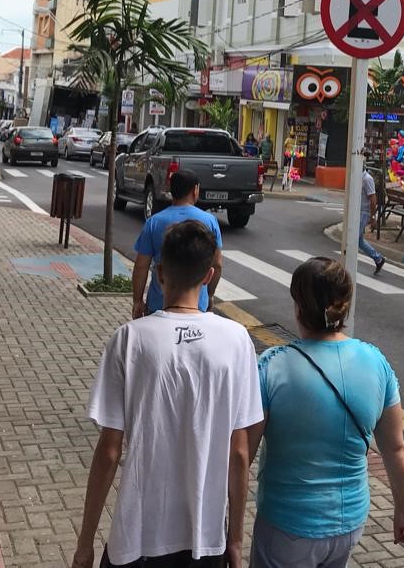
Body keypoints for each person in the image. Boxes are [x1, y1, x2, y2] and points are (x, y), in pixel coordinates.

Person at [73, 221, 264, 568]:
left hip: (138, 535)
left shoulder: (129, 339)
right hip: (205, 538)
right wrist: (235, 542)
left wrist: (85, 544)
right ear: (208, 276)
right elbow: (239, 452)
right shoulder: (237, 341)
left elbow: (109, 452)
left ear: (159, 273)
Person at [250, 257, 404, 568]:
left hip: (286, 523)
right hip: (349, 523)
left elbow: (242, 454)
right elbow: (395, 448)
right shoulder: (375, 362)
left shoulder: (273, 365)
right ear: (345, 305)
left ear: (298, 305)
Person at [132, 170, 224, 319]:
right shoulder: (209, 221)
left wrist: (137, 301)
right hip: (196, 306)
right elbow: (217, 264)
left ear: (171, 190)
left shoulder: (154, 222)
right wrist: (209, 295)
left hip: (158, 305)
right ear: (195, 190)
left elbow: (141, 266)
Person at [359, 169, 386, 275]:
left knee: (354, 239)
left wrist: (373, 216)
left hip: (364, 212)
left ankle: (378, 258)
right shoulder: (358, 177)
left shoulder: (367, 179)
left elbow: (373, 198)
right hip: (358, 211)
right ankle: (378, 259)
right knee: (358, 240)